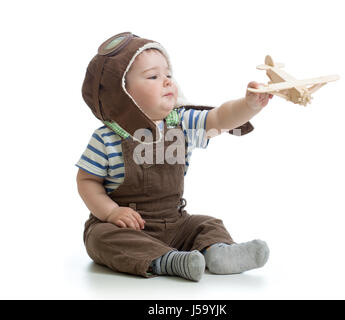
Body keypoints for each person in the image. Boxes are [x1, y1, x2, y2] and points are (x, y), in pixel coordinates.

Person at [76, 32, 273, 282]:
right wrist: (111, 212)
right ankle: (167, 261)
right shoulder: (107, 138)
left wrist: (249, 106)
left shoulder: (181, 122)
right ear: (122, 93)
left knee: (207, 224)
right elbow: (87, 181)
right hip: (126, 226)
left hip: (176, 222)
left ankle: (218, 253)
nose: (167, 81)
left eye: (168, 74)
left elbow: (220, 118)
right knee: (100, 238)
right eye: (153, 76)